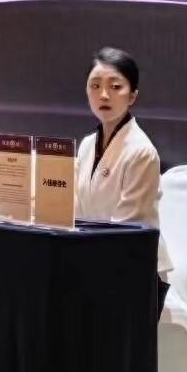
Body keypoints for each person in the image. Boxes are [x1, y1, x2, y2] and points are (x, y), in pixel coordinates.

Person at [74, 47, 173, 317]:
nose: (104, 95)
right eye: (95, 86)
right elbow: (75, 208)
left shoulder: (141, 152)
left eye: (115, 86)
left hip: (135, 273)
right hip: (93, 262)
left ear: (132, 96)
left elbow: (127, 229)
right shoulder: (87, 145)